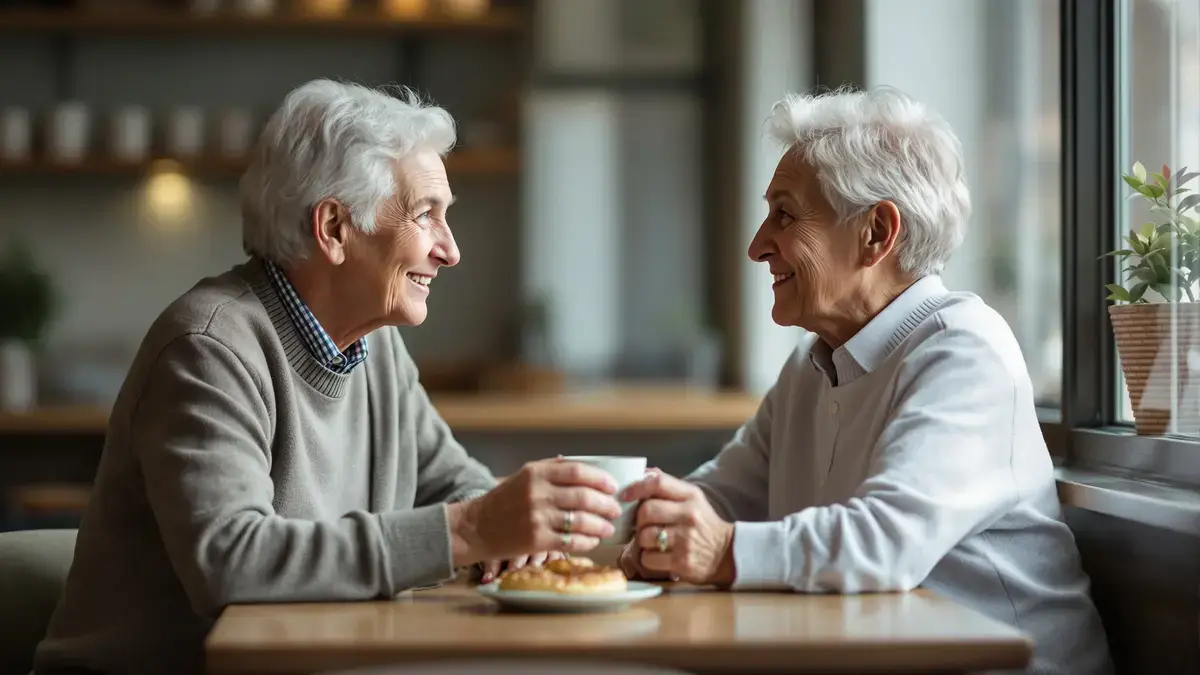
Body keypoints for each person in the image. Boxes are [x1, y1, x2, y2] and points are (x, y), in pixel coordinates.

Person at [34, 80, 621, 675]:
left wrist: (503, 528)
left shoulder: (376, 344)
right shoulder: (209, 348)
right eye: (426, 215)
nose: (450, 250)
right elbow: (230, 560)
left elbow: (449, 478)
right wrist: (471, 529)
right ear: (335, 227)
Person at [618, 87, 1114, 675]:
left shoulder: (963, 349)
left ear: (876, 232)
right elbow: (720, 496)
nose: (756, 247)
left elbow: (886, 542)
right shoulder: (811, 366)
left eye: (784, 214)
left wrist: (723, 549)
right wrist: (592, 523)